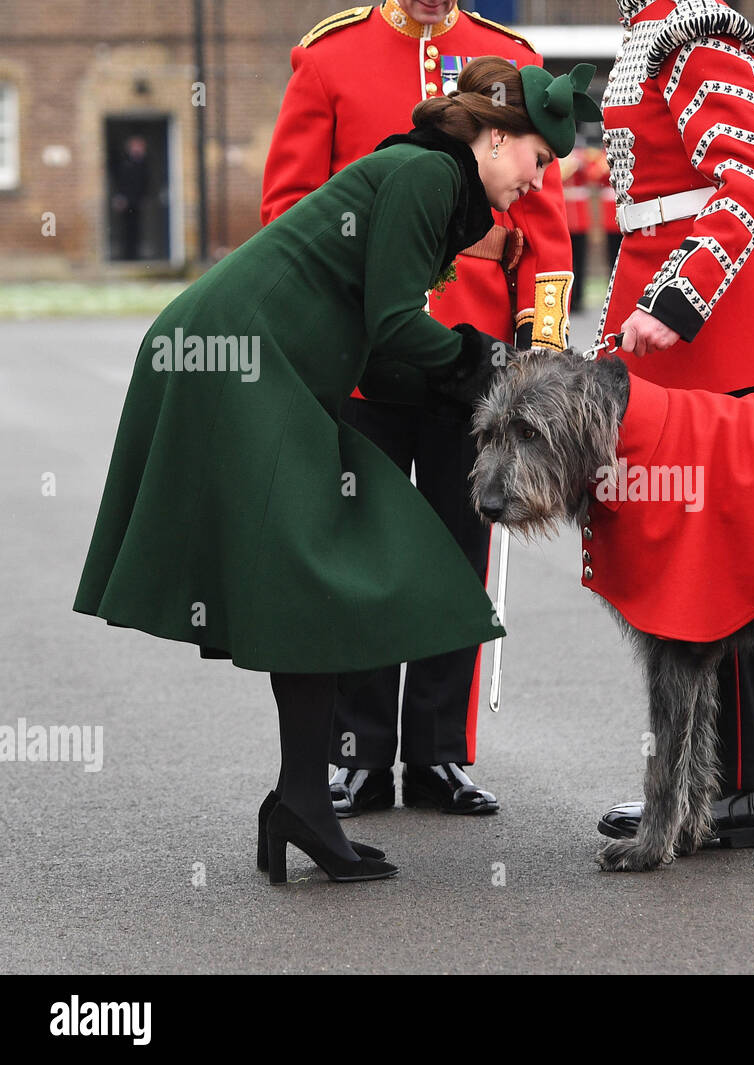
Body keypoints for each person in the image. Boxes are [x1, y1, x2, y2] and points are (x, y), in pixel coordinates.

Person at [74, 59, 600, 884]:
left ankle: (300, 800)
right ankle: (305, 801)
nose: (538, 182)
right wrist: (490, 361)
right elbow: (394, 324)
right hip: (242, 359)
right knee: (309, 572)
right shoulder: (430, 174)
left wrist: (466, 381)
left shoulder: (434, 181)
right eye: (538, 159)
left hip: (264, 360)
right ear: (495, 138)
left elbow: (378, 336)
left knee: (309, 578)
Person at [261, 0, 574, 818]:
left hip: (470, 360)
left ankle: (437, 751)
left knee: (453, 550)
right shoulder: (331, 56)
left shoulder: (508, 55)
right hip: (366, 358)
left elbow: (541, 222)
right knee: (360, 552)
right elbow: (291, 211)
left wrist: (534, 351)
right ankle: (358, 751)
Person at [595, 0, 754, 849]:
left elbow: (748, 175)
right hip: (670, 326)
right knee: (687, 569)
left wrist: (677, 301)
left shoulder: (695, 30)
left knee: (728, 566)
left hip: (709, 332)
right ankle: (697, 781)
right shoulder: (651, 26)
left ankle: (735, 789)